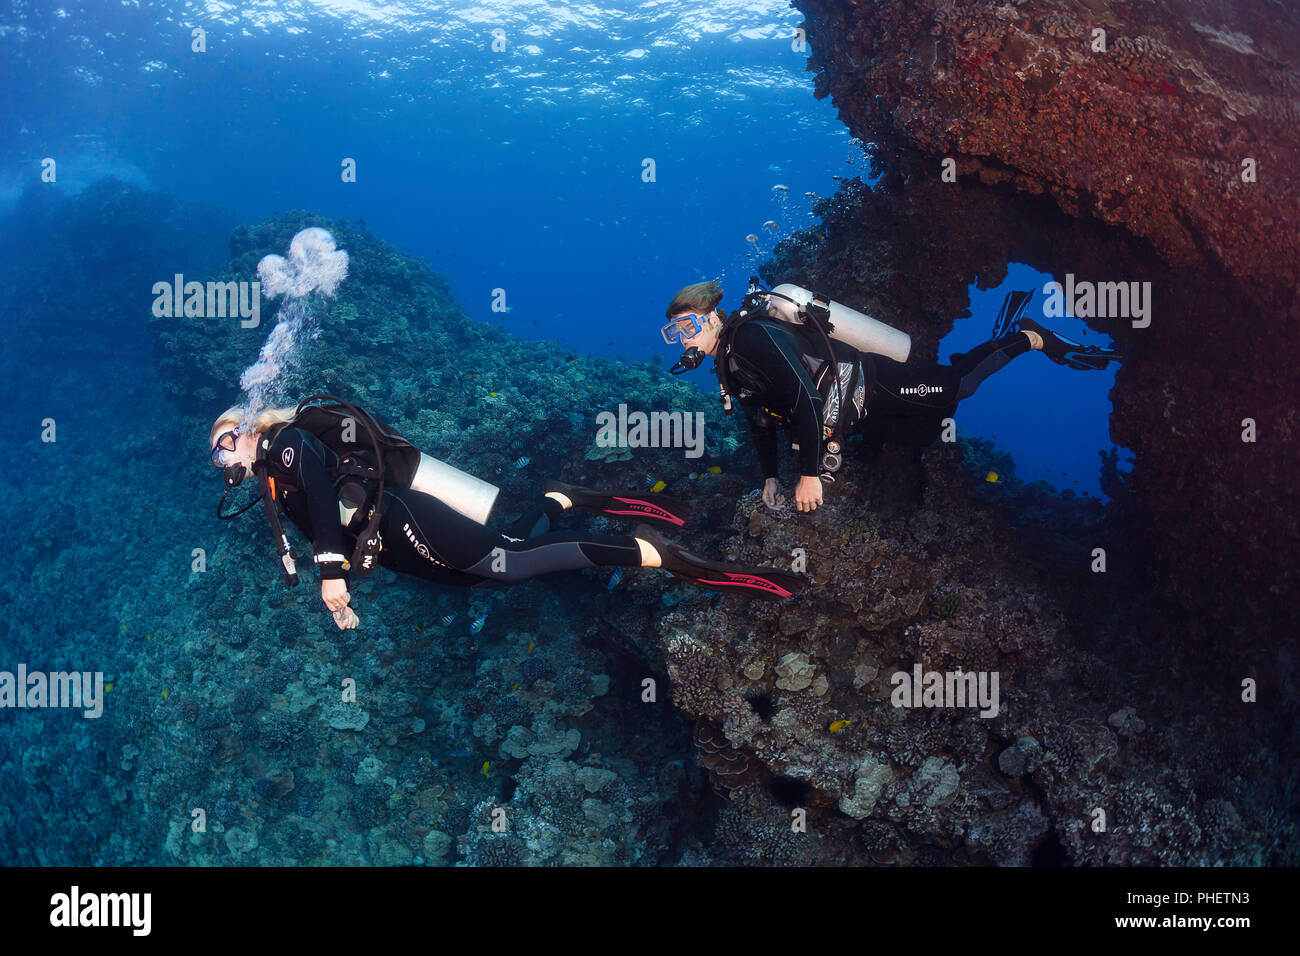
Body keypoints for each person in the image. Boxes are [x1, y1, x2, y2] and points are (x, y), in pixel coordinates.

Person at [209, 400, 806, 627]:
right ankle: (562, 497)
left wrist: (330, 575)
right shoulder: (270, 481)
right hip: (386, 545)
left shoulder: (285, 443)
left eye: (220, 444)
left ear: (240, 432)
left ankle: (658, 555)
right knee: (489, 567)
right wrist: (343, 590)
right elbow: (321, 517)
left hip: (399, 522)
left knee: (512, 564)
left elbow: (319, 487)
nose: (219, 460)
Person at [661, 282, 1120, 512]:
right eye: (674, 331)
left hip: (870, 382)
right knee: (924, 433)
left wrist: (806, 476)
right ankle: (983, 350)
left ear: (714, 318)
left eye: (689, 326)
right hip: (855, 410)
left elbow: (802, 396)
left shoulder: (753, 338)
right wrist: (769, 478)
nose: (683, 338)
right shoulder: (730, 364)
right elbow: (760, 420)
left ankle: (1027, 337)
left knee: (956, 390)